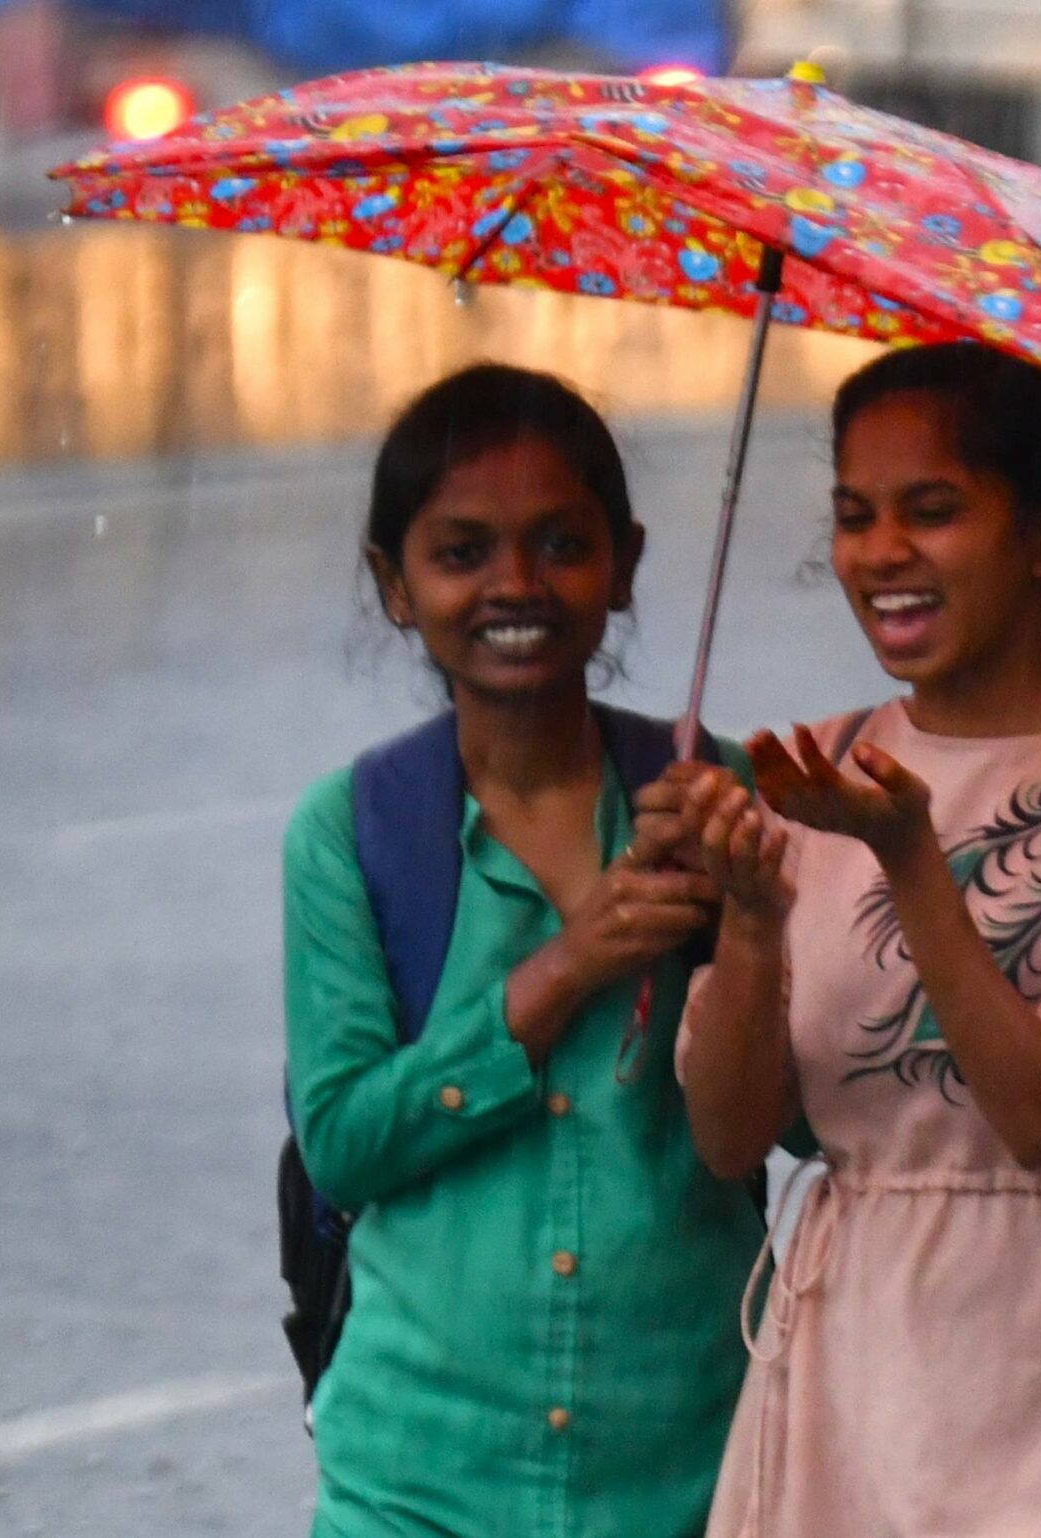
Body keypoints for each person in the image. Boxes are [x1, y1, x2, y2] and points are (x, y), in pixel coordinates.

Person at [663, 341, 1041, 1537]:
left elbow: (1039, 1109)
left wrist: (909, 855)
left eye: (931, 511)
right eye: (854, 517)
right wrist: (752, 918)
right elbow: (728, 1137)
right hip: (852, 1351)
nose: (882, 552)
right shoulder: (817, 765)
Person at [282, 363, 761, 1537]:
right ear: (395, 583)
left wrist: (750, 917)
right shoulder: (352, 832)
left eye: (561, 544)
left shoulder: (714, 797)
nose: (515, 585)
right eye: (462, 552)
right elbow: (343, 1143)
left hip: (687, 1476)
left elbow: (784, 1130)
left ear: (626, 563)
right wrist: (566, 966)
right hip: (414, 1488)